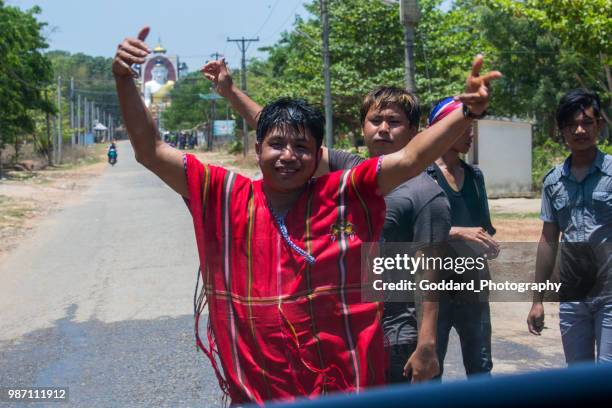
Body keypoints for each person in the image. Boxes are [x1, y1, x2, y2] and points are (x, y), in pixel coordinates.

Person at [113, 26, 500, 404]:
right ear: (257, 147)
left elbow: (412, 158)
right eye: (276, 144)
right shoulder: (225, 194)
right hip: (257, 391)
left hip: (346, 387)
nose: (288, 155)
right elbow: (150, 151)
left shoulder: (347, 192)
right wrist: (124, 80)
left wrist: (466, 112)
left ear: (319, 157)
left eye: (301, 146)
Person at [202, 59, 449, 384]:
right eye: (375, 120)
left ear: (414, 132)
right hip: (350, 335)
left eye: (395, 122)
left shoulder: (424, 191)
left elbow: (430, 267)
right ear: (363, 127)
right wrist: (231, 92)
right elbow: (285, 134)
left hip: (399, 338)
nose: (383, 129)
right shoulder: (351, 173)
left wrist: (427, 343)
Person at [527, 89, 612, 364]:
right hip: (573, 298)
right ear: (561, 131)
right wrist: (537, 299)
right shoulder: (553, 182)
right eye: (571, 124)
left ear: (599, 124)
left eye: (587, 122)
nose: (580, 130)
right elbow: (548, 241)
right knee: (579, 381)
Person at [425, 97, 499, 378]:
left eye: (471, 126)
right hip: (434, 288)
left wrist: (488, 245)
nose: (470, 133)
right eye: (463, 126)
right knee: (431, 367)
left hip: (473, 285)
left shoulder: (475, 175)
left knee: (481, 366)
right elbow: (412, 232)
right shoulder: (422, 176)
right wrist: (458, 231)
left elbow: (482, 228)